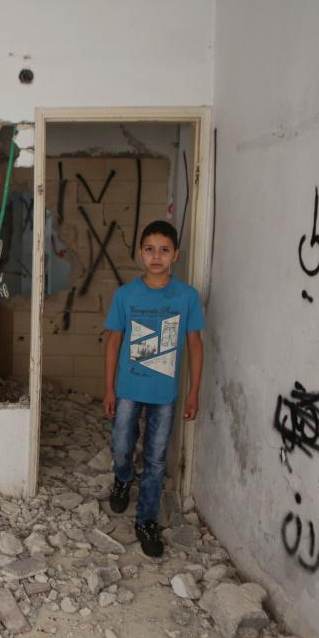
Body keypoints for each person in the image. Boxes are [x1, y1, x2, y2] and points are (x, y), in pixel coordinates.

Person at [103, 219, 204, 558]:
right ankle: (122, 478)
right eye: (150, 249)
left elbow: (195, 345)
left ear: (176, 255)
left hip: (165, 394)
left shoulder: (187, 297)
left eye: (164, 250)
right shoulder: (126, 295)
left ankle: (146, 520)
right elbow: (113, 342)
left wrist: (193, 391)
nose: (156, 256)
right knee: (121, 445)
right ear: (140, 253)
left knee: (156, 459)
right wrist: (109, 388)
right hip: (128, 388)